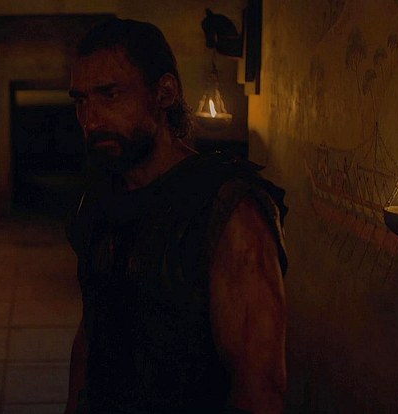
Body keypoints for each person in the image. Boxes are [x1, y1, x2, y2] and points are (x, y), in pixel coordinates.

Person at [64, 19, 288, 413]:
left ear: (164, 93)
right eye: (81, 101)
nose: (91, 120)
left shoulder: (229, 212)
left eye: (110, 95)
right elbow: (94, 325)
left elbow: (260, 387)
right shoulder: (103, 196)